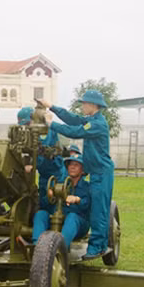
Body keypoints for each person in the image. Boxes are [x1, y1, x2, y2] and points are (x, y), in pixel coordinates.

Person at [39, 90, 115, 260]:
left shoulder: (98, 124)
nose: (82, 106)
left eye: (84, 103)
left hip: (101, 173)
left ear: (93, 105)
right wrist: (51, 107)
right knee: (96, 209)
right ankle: (97, 244)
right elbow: (72, 119)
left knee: (98, 211)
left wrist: (51, 124)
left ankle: (98, 247)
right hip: (96, 172)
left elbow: (74, 132)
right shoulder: (91, 120)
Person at [31, 155, 91, 246]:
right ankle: (37, 245)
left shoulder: (87, 187)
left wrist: (77, 200)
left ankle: (61, 247)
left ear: (82, 170)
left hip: (78, 224)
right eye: (70, 164)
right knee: (41, 214)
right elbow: (43, 205)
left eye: (76, 165)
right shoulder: (58, 184)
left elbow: (88, 206)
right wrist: (49, 196)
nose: (72, 167)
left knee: (72, 217)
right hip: (56, 220)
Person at [18, 106, 64, 213]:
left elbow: (42, 152)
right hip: (44, 175)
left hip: (55, 173)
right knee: (43, 204)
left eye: (27, 124)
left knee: (54, 203)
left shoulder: (45, 131)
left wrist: (33, 165)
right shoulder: (29, 133)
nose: (26, 127)